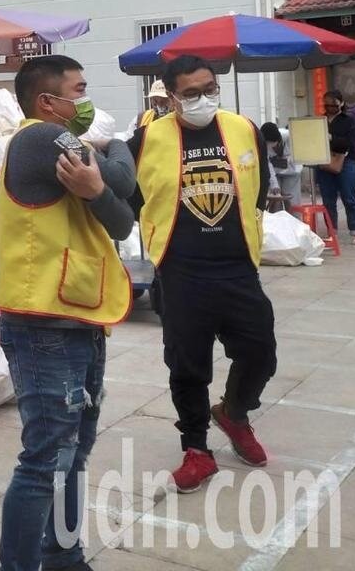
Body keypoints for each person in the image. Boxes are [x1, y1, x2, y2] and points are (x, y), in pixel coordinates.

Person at [0, 55, 136, 571]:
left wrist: (97, 187)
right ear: (46, 102)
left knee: (72, 453)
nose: (85, 99)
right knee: (47, 458)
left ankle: (64, 557)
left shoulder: (66, 146)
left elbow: (122, 221)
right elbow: (124, 179)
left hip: (78, 320)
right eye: (78, 90)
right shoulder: (40, 139)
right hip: (43, 327)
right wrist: (115, 145)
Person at [128, 55, 276, 494]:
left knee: (260, 353)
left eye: (209, 89)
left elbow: (258, 190)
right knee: (187, 365)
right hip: (181, 272)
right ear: (171, 97)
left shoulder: (243, 128)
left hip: (238, 267)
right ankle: (196, 449)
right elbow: (131, 199)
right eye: (191, 93)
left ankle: (234, 412)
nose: (203, 99)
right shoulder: (146, 140)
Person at [315, 89, 355, 247]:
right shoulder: (320, 120)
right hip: (324, 161)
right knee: (328, 199)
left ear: (341, 103)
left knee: (349, 197)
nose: (330, 107)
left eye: (333, 104)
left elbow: (349, 142)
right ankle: (331, 231)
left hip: (347, 161)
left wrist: (331, 138)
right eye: (326, 104)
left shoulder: (349, 121)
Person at [260, 122, 301, 210]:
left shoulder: (290, 137)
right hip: (274, 173)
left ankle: (293, 218)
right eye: (267, 143)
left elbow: (298, 156)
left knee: (292, 202)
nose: (270, 146)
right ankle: (276, 217)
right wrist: (274, 184)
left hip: (292, 173)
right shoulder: (262, 143)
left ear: (278, 140)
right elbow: (267, 164)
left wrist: (284, 160)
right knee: (275, 199)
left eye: (271, 143)